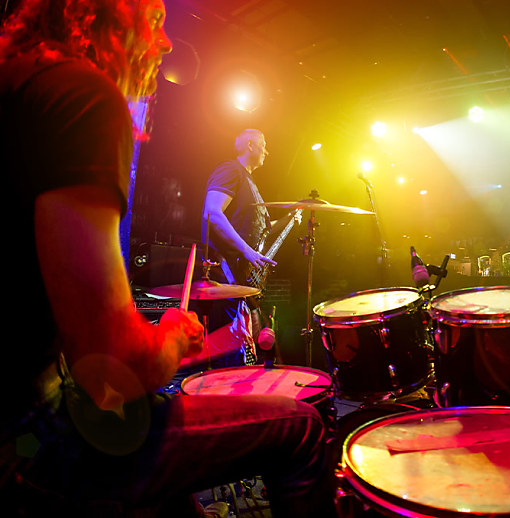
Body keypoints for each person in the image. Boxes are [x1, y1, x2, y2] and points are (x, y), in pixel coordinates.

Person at [0, 1, 333, 516]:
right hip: (35, 439)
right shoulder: (82, 95)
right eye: (152, 22)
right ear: (108, 18)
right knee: (301, 427)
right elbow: (115, 367)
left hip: (21, 427)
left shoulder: (18, 83)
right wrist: (174, 336)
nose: (165, 43)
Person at [200, 129, 282, 364]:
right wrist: (247, 250)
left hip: (239, 276)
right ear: (250, 145)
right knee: (229, 353)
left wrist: (291, 217)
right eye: (263, 144)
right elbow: (212, 211)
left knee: (245, 350)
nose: (267, 151)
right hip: (225, 272)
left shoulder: (249, 181)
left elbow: (257, 229)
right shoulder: (230, 170)